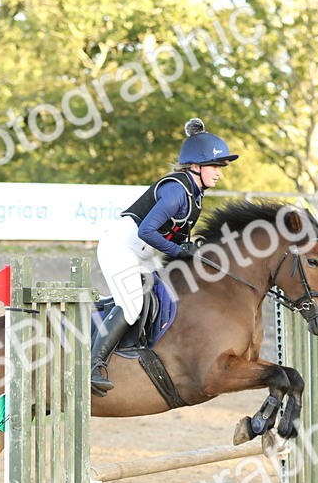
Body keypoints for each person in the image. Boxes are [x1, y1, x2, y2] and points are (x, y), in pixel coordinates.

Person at [91, 117, 238, 395]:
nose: (219, 172)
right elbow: (147, 230)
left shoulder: (195, 195)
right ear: (196, 166)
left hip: (141, 251)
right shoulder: (176, 191)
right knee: (132, 305)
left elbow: (176, 236)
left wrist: (196, 250)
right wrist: (180, 251)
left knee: (164, 292)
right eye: (215, 166)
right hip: (121, 246)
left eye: (220, 167)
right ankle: (93, 364)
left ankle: (139, 347)